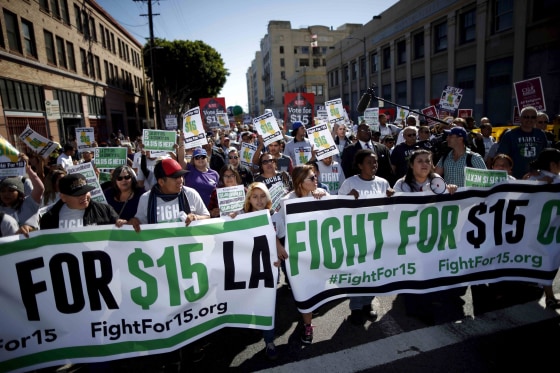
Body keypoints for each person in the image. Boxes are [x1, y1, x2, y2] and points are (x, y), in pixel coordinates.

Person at [232, 182, 288, 360]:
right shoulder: (240, 216)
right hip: (246, 269)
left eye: (263, 196)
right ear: (249, 199)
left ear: (268, 198)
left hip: (269, 268)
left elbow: (277, 237)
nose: (259, 200)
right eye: (255, 196)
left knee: (268, 304)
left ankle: (269, 341)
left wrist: (278, 250)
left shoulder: (275, 216)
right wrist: (229, 218)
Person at [273, 165, 328, 344]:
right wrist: (279, 245)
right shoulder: (286, 201)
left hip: (318, 251)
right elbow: (273, 225)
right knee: (303, 289)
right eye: (311, 178)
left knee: (315, 286)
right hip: (296, 255)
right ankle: (307, 325)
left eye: (315, 177)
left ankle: (311, 306)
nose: (315, 180)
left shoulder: (320, 193)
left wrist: (323, 196)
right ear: (299, 183)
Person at [338, 149, 394, 325]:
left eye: (376, 162)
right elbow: (336, 209)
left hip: (377, 236)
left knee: (372, 272)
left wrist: (391, 199)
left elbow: (389, 211)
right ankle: (355, 307)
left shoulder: (383, 183)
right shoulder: (350, 183)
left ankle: (367, 303)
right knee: (357, 271)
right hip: (355, 236)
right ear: (360, 165)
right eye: (370, 162)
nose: (374, 165)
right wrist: (347, 198)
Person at [523, 148, 560, 309]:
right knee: (549, 261)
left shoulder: (533, 179)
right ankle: (549, 295)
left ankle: (547, 294)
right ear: (553, 164)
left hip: (535, 230)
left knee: (546, 260)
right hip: (550, 231)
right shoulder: (552, 179)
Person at [128, 158, 210, 229]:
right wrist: (134, 222)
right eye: (175, 177)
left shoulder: (191, 194)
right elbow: (139, 224)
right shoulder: (146, 199)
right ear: (161, 182)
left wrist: (196, 218)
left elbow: (207, 217)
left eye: (181, 176)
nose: (180, 180)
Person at [40, 173, 124, 229]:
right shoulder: (49, 219)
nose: (84, 197)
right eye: (78, 194)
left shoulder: (105, 211)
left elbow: (119, 233)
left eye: (85, 192)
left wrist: (121, 224)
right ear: (63, 197)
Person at [497, 106, 548, 179]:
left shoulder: (541, 134)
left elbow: (545, 157)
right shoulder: (510, 134)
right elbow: (501, 156)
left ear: (536, 119)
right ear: (520, 118)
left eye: (533, 117)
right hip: (515, 177)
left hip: (537, 177)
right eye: (526, 117)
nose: (529, 119)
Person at [0, 161, 44, 235]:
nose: (6, 194)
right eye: (2, 191)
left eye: (11, 190)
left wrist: (28, 169)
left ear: (19, 193)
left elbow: (39, 188)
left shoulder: (29, 203)